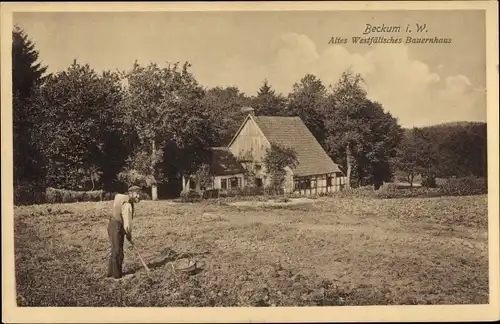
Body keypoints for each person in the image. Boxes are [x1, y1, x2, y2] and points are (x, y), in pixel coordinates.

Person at [106, 185, 142, 279]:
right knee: (118, 251)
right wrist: (129, 234)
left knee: (114, 249)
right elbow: (127, 224)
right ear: (130, 193)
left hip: (111, 225)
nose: (138, 196)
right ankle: (117, 276)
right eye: (137, 194)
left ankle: (110, 273)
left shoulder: (120, 197)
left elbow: (116, 199)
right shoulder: (127, 205)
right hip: (117, 227)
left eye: (139, 193)